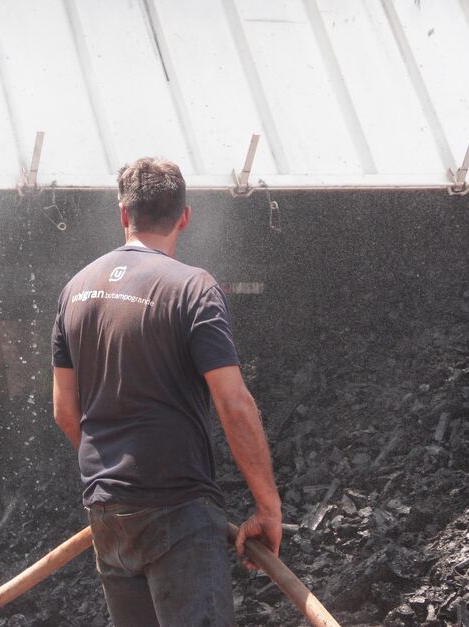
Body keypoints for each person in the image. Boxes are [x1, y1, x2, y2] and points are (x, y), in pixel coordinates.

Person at [51, 158, 282, 626]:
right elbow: (233, 403)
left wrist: (116, 473)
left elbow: (64, 409)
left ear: (123, 215)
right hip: (177, 508)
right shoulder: (193, 289)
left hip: (108, 513)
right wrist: (268, 507)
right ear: (184, 216)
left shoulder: (75, 290)